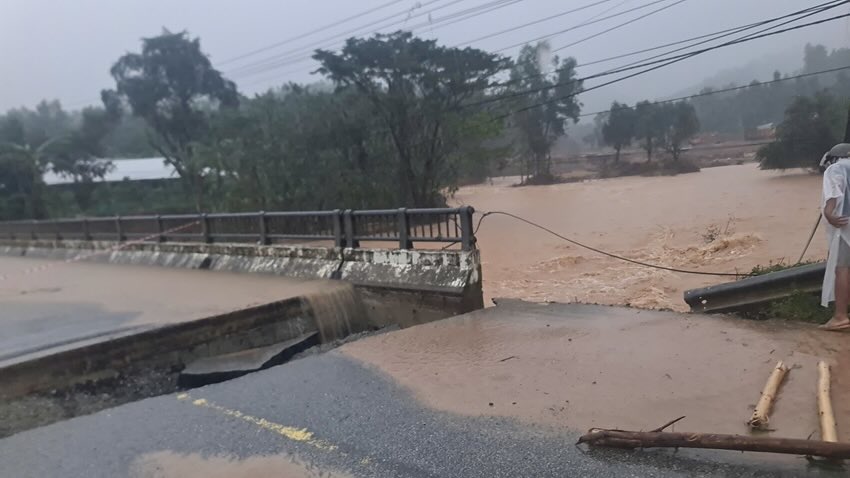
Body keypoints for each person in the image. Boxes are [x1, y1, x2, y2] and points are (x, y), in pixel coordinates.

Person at [820, 143, 850, 330]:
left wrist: (829, 212)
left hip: (845, 225)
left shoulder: (836, 168)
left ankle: (840, 316)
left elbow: (834, 192)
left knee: (842, 269)